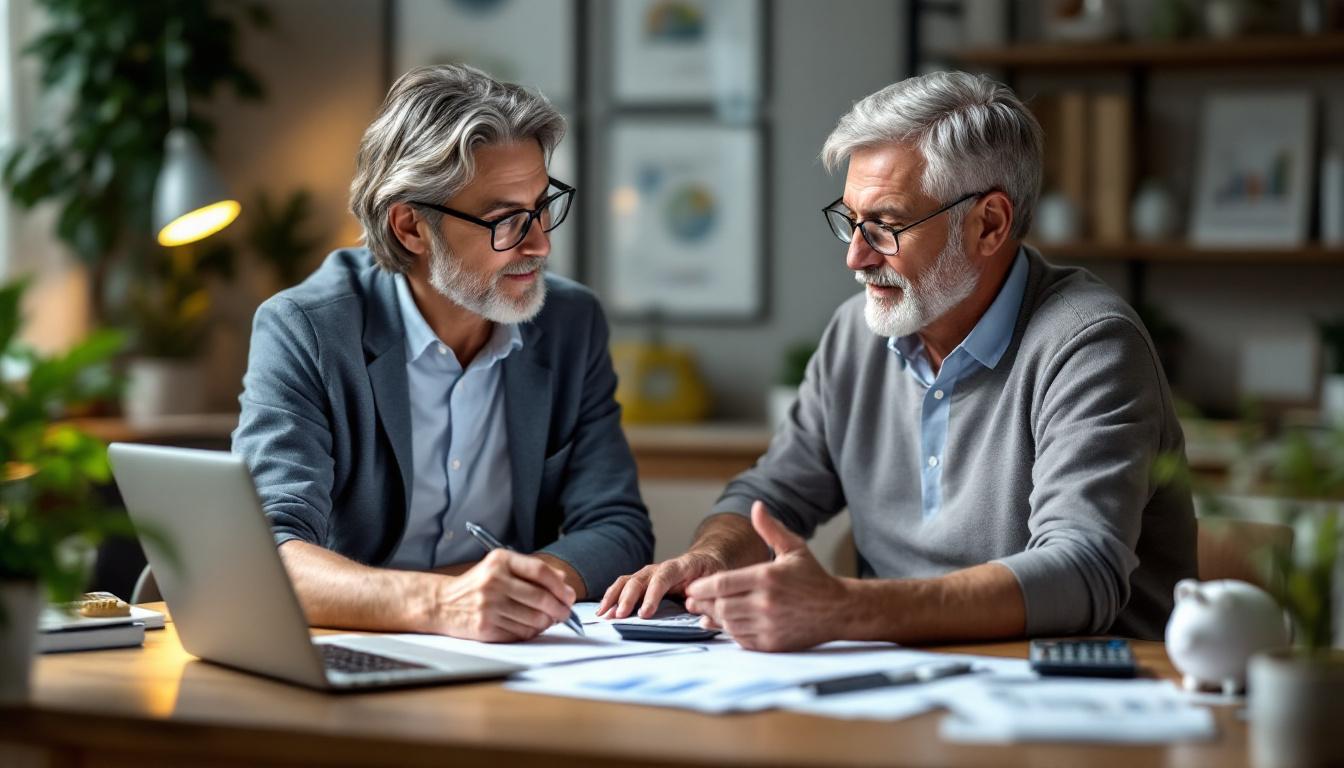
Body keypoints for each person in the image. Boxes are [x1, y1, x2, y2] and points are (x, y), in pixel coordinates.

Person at [599, 71, 1195, 651]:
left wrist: (846, 608)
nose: (855, 257)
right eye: (851, 221)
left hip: (1074, 693)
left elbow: (1080, 571)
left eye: (885, 226)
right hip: (898, 677)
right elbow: (773, 494)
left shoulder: (1090, 345)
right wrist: (711, 557)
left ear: (988, 224)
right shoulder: (854, 335)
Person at [233, 64, 653, 643]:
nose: (540, 243)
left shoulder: (570, 324)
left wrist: (524, 586)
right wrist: (440, 600)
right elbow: (265, 551)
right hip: (356, 646)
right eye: (505, 219)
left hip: (509, 656)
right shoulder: (306, 330)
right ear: (410, 227)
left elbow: (616, 525)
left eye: (542, 205)